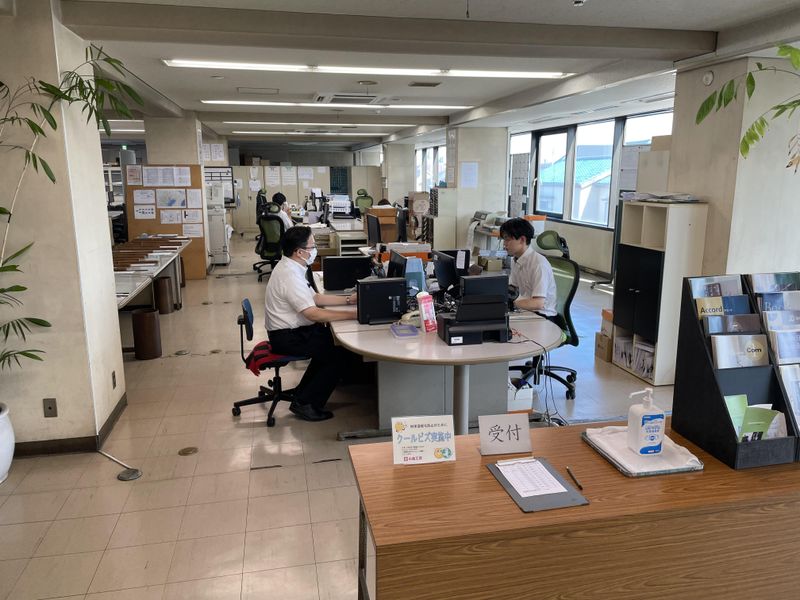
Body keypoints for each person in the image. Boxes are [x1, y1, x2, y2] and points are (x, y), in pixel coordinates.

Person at [264, 226, 357, 421]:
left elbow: (315, 298)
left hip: (293, 332)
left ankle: (303, 394)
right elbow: (313, 313)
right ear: (299, 252)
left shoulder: (292, 267)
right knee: (339, 353)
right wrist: (353, 315)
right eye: (312, 246)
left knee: (331, 345)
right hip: (287, 337)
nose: (315, 250)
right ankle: (307, 404)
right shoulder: (289, 276)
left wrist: (349, 300)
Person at [499, 218, 557, 317]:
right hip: (525, 310)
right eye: (504, 239)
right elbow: (513, 289)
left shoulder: (538, 264)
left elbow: (538, 303)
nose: (504, 244)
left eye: (507, 239)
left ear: (522, 240)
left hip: (542, 315)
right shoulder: (516, 259)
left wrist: (510, 304)